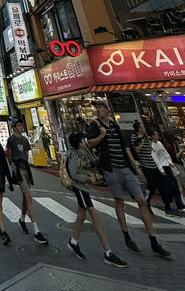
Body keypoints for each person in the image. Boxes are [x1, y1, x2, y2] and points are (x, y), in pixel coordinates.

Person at [87, 99, 170, 258]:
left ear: (107, 109)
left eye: (100, 107)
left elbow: (126, 147)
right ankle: (127, 237)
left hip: (126, 168)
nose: (98, 110)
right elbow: (90, 143)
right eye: (96, 108)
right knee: (119, 201)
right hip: (111, 169)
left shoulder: (116, 125)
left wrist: (135, 165)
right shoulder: (95, 125)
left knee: (142, 201)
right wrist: (102, 136)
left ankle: (154, 242)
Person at [66, 132, 127, 267]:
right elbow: (73, 174)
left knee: (81, 216)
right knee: (96, 218)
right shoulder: (74, 156)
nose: (85, 141)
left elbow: (93, 161)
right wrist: (90, 179)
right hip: (80, 188)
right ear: (79, 142)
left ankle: (73, 241)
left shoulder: (81, 152)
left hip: (84, 188)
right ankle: (108, 252)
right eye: (83, 140)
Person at [6, 118, 48, 244]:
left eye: (21, 125)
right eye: (18, 125)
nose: (21, 127)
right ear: (14, 127)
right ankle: (36, 231)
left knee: (26, 196)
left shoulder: (24, 140)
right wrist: (12, 166)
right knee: (28, 196)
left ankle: (22, 219)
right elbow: (9, 153)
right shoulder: (11, 139)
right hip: (18, 169)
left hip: (26, 168)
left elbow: (25, 151)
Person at [151, 130, 185, 215]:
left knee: (175, 186)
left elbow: (166, 154)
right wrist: (161, 169)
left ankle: (180, 206)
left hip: (167, 165)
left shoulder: (159, 143)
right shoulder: (151, 145)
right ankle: (168, 207)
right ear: (152, 136)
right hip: (161, 167)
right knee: (165, 188)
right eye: (156, 134)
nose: (158, 136)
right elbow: (155, 158)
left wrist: (170, 162)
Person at [130, 121, 161, 212]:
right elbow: (136, 150)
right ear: (139, 129)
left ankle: (146, 198)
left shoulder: (147, 137)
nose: (145, 129)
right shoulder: (135, 137)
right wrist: (142, 141)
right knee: (150, 183)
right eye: (143, 127)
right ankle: (145, 201)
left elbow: (151, 149)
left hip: (153, 162)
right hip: (144, 163)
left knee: (154, 184)